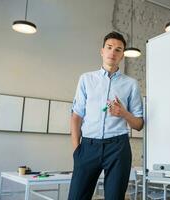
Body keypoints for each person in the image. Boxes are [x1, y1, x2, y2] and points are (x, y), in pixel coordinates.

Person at [68, 31, 144, 200]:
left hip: (118, 148)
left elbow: (138, 124)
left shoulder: (131, 84)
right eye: (109, 48)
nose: (113, 52)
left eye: (118, 50)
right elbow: (76, 116)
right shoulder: (86, 79)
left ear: (122, 55)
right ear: (102, 51)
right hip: (87, 146)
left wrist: (123, 113)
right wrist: (76, 150)